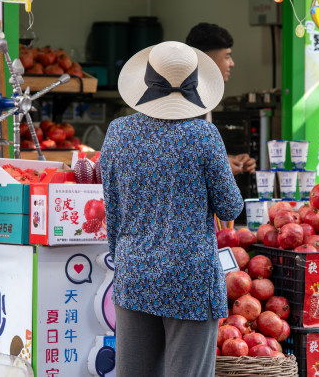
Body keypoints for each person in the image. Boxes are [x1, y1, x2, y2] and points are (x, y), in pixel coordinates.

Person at [100, 41, 244, 377]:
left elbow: (113, 210)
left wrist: (126, 258)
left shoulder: (118, 133)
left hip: (134, 272)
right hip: (191, 277)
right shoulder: (204, 136)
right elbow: (230, 205)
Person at [186, 23, 256, 175]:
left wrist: (230, 159)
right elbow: (181, 157)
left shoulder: (204, 97)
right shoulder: (187, 101)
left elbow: (199, 153)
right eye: (227, 56)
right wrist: (220, 166)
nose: (232, 63)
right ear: (206, 59)